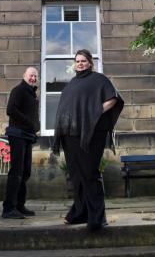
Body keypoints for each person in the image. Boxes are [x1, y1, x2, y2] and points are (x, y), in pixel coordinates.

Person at [51, 49, 124, 232]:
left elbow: (114, 98)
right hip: (70, 136)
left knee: (90, 174)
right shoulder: (72, 84)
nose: (80, 63)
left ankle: (98, 218)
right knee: (76, 176)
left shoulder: (99, 80)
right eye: (77, 61)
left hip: (91, 135)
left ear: (90, 62)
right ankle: (80, 213)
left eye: (83, 60)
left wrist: (95, 111)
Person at [2, 66, 39, 219]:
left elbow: (30, 115)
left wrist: (35, 126)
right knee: (16, 172)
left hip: (27, 136)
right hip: (17, 134)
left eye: (36, 76)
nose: (33, 78)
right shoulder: (18, 90)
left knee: (25, 172)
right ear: (24, 75)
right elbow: (10, 110)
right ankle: (8, 209)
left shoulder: (31, 94)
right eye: (31, 75)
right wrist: (29, 122)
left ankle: (19, 205)